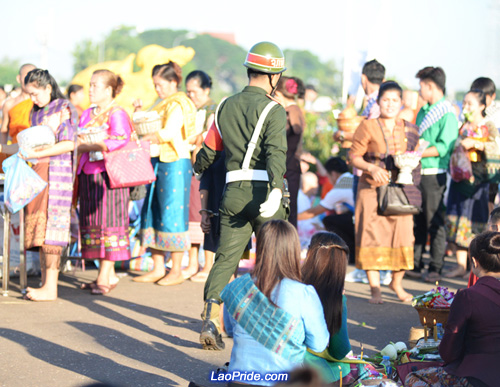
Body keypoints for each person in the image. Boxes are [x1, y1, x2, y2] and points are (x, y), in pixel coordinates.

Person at [194, 41, 288, 350]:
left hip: (232, 193)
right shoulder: (274, 109)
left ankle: (210, 315)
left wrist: (196, 166)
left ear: (250, 70)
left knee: (225, 259)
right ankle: (269, 326)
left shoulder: (224, 106)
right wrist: (276, 188)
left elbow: (208, 154)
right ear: (273, 76)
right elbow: (276, 154)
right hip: (264, 193)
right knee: (274, 261)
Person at [220, 220, 329, 385]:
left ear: (261, 248)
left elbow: (229, 329)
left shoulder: (235, 287)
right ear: (293, 249)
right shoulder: (304, 293)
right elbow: (319, 344)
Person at [350, 81, 421, 304]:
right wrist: (371, 167)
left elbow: (416, 156)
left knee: (404, 235)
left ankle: (396, 284)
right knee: (370, 236)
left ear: (401, 103)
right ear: (378, 101)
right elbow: (354, 157)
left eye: (394, 100)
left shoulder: (409, 128)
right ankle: (375, 289)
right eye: (385, 100)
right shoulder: (367, 126)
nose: (390, 104)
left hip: (401, 188)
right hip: (371, 187)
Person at [405, 231, 500, 387]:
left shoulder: (468, 296)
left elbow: (448, 352)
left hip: (477, 377)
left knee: (413, 377)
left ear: (474, 262)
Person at [133, 61, 197, 286]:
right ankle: (158, 266)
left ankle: (176, 269)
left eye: (160, 85)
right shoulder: (163, 103)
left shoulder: (179, 103)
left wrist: (149, 137)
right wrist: (140, 114)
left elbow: (169, 132)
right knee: (153, 210)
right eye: (155, 85)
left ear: (173, 82)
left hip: (175, 162)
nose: (157, 89)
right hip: (158, 160)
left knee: (172, 214)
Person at [20, 69, 78, 301]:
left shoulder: (63, 107)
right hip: (37, 174)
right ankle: (45, 284)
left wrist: (35, 152)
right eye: (29, 95)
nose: (32, 99)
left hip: (56, 175)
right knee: (41, 232)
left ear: (47, 87)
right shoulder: (35, 112)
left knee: (51, 230)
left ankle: (50, 287)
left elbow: (69, 144)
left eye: (35, 93)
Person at [77, 69, 132, 295]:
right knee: (93, 224)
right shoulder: (87, 113)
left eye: (95, 86)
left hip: (109, 176)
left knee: (110, 224)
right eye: (89, 85)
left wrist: (89, 145)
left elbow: (120, 140)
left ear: (109, 90)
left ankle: (103, 276)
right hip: (88, 173)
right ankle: (106, 274)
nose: (90, 90)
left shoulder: (116, 112)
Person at [406, 67, 459, 283]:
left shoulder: (447, 113)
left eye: (421, 86)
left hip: (434, 172)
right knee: (418, 219)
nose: (419, 90)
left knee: (434, 221)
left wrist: (416, 153)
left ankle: (436, 266)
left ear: (430, 86)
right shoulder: (423, 111)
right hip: (417, 171)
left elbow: (444, 147)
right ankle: (416, 264)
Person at [445, 90, 499, 279]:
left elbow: (496, 148)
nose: (465, 107)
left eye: (470, 104)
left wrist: (476, 144)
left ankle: (474, 267)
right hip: (460, 180)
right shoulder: (463, 126)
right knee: (457, 221)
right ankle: (460, 265)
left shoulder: (489, 126)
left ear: (482, 106)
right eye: (465, 104)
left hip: (479, 183)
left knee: (474, 224)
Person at [302, 232, 352, 384]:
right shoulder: (335, 299)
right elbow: (339, 350)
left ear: (311, 254)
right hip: (312, 371)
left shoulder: (291, 285)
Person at [182, 70, 217, 281]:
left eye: (194, 91)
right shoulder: (189, 109)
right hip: (189, 166)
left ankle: (208, 264)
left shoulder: (214, 110)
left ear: (206, 90)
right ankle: (193, 262)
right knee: (192, 215)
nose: (191, 95)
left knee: (205, 213)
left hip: (206, 168)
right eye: (188, 92)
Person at [298, 157, 355, 263]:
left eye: (328, 176)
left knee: (329, 220)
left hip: (362, 223)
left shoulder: (340, 187)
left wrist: (292, 217)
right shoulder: (351, 178)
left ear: (333, 174)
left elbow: (314, 212)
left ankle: (351, 256)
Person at [275, 76, 306, 228]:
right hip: (291, 165)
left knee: (287, 212)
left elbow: (297, 128)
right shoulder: (296, 110)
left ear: (279, 95)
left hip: (289, 166)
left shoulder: (291, 111)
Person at [470, 77, 500, 212]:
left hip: (492, 168)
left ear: (492, 96)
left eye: (484, 95)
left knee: (489, 203)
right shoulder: (471, 115)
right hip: (476, 169)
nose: (480, 97)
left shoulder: (495, 117)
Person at [0, 64, 36, 145]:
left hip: (36, 149)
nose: (29, 79)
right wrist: (3, 153)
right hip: (14, 150)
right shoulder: (9, 104)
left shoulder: (39, 102)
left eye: (33, 76)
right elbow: (3, 131)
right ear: (18, 78)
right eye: (27, 76)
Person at [468, 207, 500, 287]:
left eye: (488, 225)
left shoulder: (484, 252)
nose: (486, 229)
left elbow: (473, 293)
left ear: (496, 227)